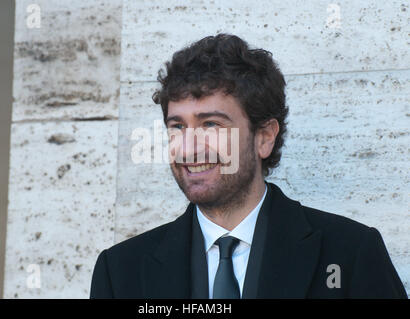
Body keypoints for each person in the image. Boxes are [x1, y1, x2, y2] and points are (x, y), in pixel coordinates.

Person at [90, 34, 407, 299]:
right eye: (177, 127)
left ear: (265, 137)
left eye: (211, 124)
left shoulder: (350, 254)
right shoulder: (120, 272)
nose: (188, 148)